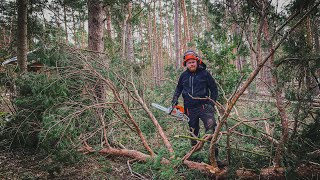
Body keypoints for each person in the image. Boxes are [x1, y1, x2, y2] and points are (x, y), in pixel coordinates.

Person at [172, 50, 218, 146]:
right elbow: (178, 88)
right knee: (193, 133)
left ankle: (214, 156)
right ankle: (195, 153)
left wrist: (211, 104)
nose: (191, 64)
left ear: (197, 62)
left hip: (204, 107)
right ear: (186, 64)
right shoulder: (183, 76)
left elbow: (214, 89)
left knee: (211, 127)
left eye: (193, 62)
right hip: (189, 108)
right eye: (189, 63)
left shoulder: (205, 73)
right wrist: (175, 99)